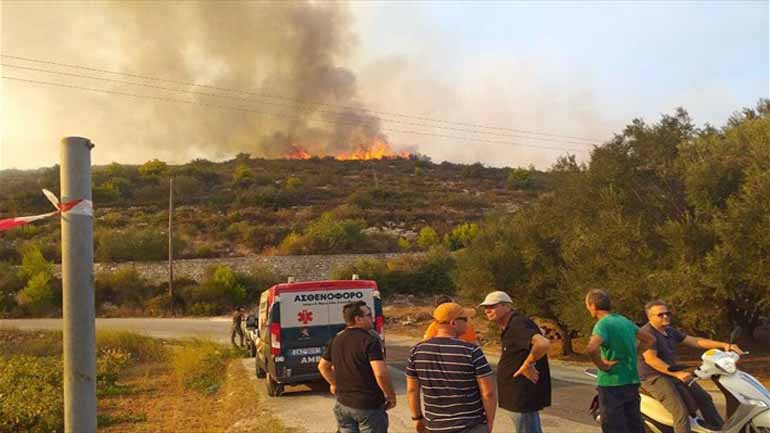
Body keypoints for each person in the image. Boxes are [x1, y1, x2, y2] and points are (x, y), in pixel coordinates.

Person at [639, 300, 743, 432]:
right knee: (680, 411)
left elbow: (695, 341)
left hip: (671, 372)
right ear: (650, 317)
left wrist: (723, 345)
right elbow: (651, 360)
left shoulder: (669, 331)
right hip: (653, 377)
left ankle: (720, 429)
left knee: (705, 398)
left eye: (667, 313)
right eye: (660, 315)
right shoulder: (647, 333)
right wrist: (677, 374)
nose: (665, 316)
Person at [406, 302, 496, 433]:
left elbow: (412, 390)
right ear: (453, 323)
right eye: (465, 319)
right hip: (471, 426)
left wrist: (417, 418)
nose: (468, 323)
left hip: (436, 427)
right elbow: (488, 392)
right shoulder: (471, 351)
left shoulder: (417, 351)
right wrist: (490, 422)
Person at [318, 301, 397, 433]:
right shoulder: (369, 341)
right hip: (368, 406)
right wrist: (391, 396)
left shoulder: (337, 339)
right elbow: (380, 373)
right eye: (369, 315)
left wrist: (335, 384)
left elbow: (323, 366)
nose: (372, 318)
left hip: (343, 404)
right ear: (358, 319)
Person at [584, 289, 655, 433]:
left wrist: (602, 365)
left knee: (613, 426)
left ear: (592, 305)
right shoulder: (624, 321)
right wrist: (634, 353)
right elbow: (650, 339)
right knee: (634, 424)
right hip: (631, 381)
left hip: (612, 383)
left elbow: (592, 348)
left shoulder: (603, 324)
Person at [480, 291, 551, 433]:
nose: (488, 310)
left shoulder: (517, 324)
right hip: (518, 394)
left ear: (507, 306)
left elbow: (542, 343)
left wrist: (527, 364)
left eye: (493, 306)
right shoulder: (512, 324)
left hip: (521, 393)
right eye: (486, 307)